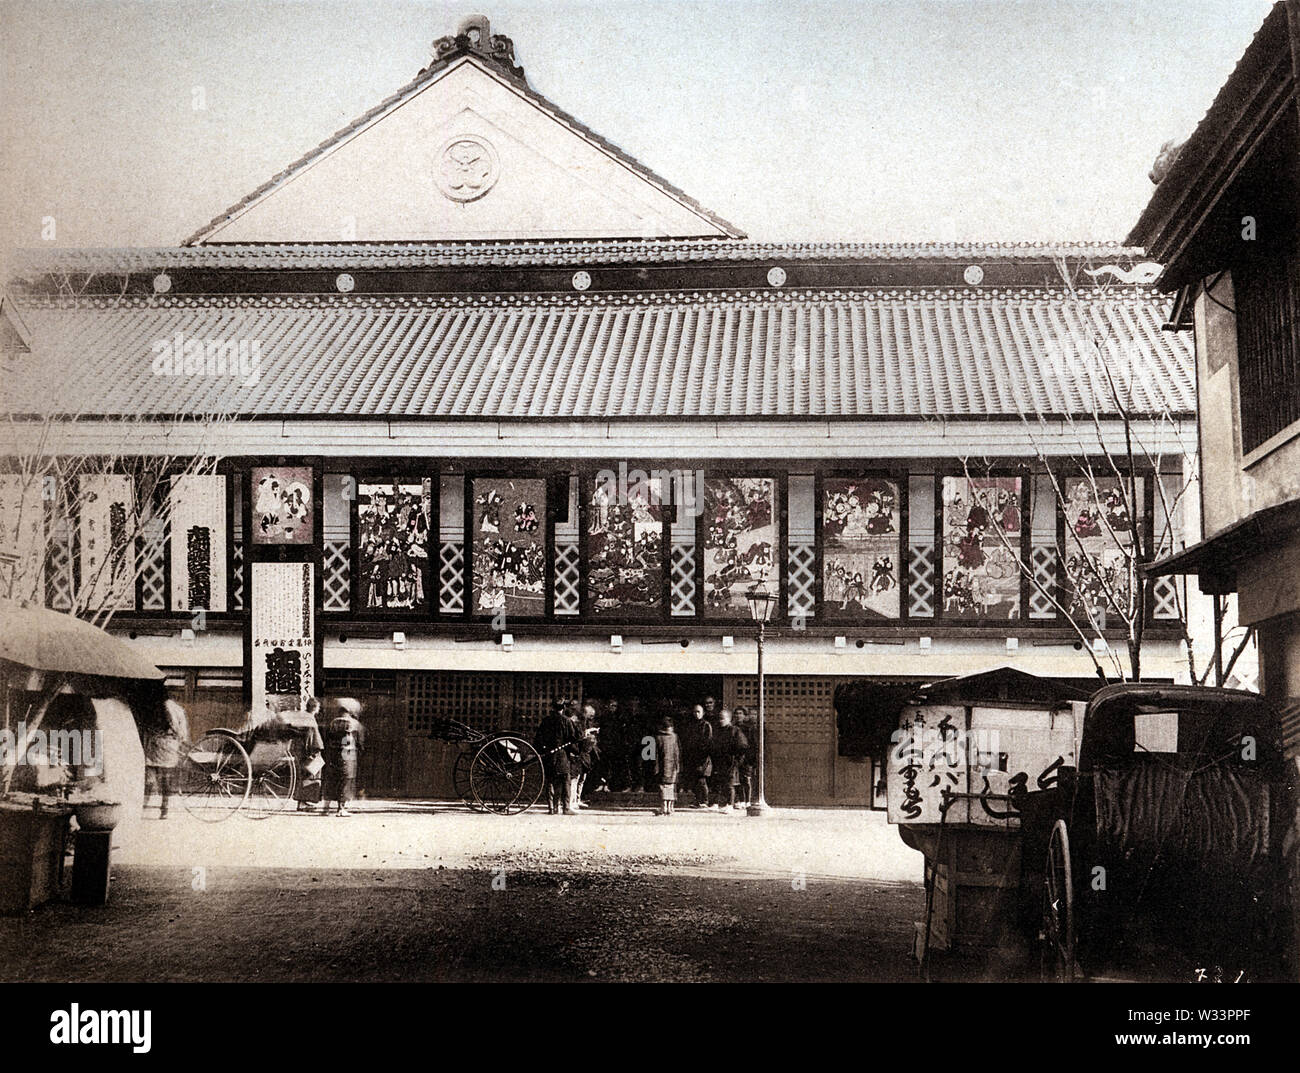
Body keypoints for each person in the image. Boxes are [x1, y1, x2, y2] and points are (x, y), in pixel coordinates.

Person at [144, 698, 188, 819]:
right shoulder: (177, 708)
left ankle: (145, 806)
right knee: (165, 779)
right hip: (170, 744)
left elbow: (173, 724)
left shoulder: (165, 706)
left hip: (161, 744)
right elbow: (181, 733)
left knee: (152, 778)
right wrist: (180, 737)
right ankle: (164, 808)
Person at [323, 698, 365, 816]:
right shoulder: (355, 724)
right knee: (346, 779)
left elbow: (328, 738)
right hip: (348, 753)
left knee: (332, 778)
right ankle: (341, 808)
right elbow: (360, 742)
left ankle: (326, 807)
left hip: (333, 753)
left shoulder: (333, 723)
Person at [536, 699, 578, 814]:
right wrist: (575, 751)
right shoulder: (566, 721)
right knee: (565, 780)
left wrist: (542, 750)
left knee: (550, 781)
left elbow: (538, 739)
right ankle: (566, 807)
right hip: (562, 754)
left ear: (552, 708)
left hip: (549, 754)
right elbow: (572, 739)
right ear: (563, 708)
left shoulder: (546, 721)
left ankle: (551, 807)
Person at [711, 707, 748, 811]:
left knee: (730, 784)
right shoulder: (718, 731)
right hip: (721, 761)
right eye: (719, 718)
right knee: (720, 783)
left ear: (729, 719)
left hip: (731, 761)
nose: (720, 721)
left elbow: (743, 746)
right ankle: (718, 803)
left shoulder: (734, 730)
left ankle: (730, 804)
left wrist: (736, 760)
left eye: (723, 718)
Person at [682, 704, 713, 808]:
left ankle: (705, 801)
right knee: (695, 780)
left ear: (703, 713)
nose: (696, 714)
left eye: (698, 712)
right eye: (695, 711)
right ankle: (697, 800)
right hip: (693, 756)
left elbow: (708, 741)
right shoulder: (690, 725)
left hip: (703, 757)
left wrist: (703, 754)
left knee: (701, 779)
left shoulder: (706, 725)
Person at [654, 715, 680, 816]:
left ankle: (663, 807)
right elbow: (677, 752)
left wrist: (655, 767)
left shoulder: (658, 737)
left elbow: (655, 754)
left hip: (662, 766)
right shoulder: (674, 737)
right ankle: (670, 807)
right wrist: (678, 766)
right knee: (671, 787)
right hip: (673, 766)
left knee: (663, 787)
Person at [734, 706, 755, 807]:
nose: (738, 716)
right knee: (737, 780)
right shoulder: (733, 727)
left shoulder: (748, 729)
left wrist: (750, 759)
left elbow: (752, 744)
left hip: (746, 758)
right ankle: (740, 800)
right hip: (736, 757)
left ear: (745, 716)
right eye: (737, 713)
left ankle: (747, 801)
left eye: (740, 713)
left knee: (746, 779)